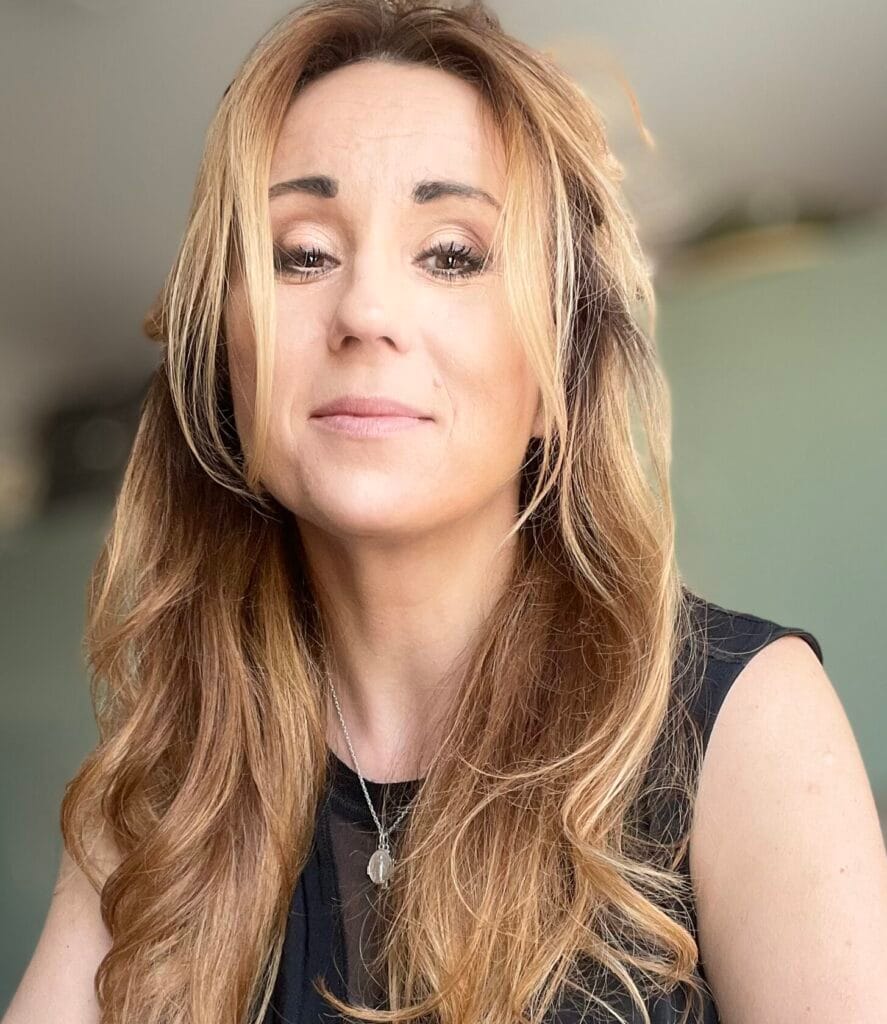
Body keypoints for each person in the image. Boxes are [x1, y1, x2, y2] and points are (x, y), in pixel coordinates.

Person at [4, 1, 885, 1022]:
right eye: (302, 253)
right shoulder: (159, 800)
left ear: (557, 368)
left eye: (451, 253)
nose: (365, 311)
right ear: (223, 359)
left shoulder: (743, 721)